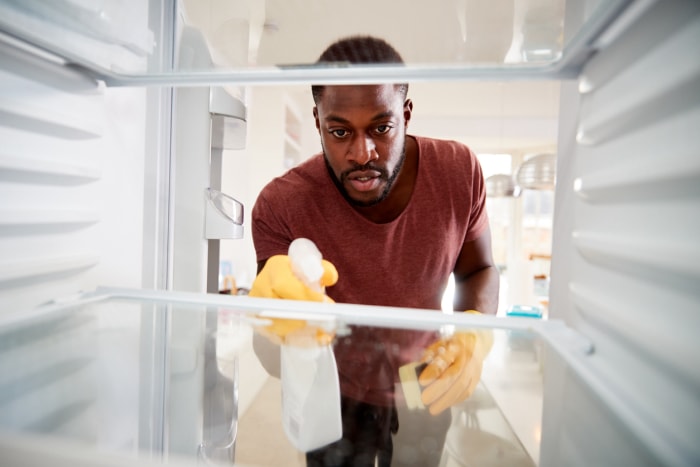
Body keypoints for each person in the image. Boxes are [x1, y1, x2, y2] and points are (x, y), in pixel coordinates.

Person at [249, 35, 499, 467]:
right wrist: (274, 327)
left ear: (405, 114)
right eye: (340, 131)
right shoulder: (280, 204)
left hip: (425, 379)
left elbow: (480, 269)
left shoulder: (460, 172)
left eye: (381, 128)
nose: (362, 153)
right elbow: (273, 347)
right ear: (317, 122)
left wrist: (475, 330)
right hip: (335, 390)